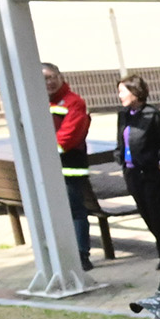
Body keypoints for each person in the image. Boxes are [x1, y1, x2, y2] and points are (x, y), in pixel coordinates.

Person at [115, 75, 160, 265]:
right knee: (146, 213)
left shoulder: (152, 115)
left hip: (152, 172)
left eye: (123, 91)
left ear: (135, 92)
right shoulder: (123, 115)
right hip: (132, 172)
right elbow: (121, 141)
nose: (119, 95)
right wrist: (119, 156)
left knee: (159, 214)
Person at [43, 64, 98, 244]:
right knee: (57, 212)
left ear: (61, 77)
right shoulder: (39, 101)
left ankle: (82, 254)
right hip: (50, 167)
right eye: (45, 79)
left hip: (70, 167)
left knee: (76, 211)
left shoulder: (73, 102)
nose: (50, 82)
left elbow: (68, 136)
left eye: (53, 77)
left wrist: (46, 153)